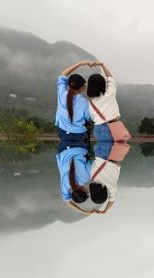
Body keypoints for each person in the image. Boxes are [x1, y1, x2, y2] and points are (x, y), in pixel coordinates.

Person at [55, 61, 93, 205]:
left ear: (84, 190)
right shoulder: (84, 102)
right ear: (82, 87)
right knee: (87, 123)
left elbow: (63, 74)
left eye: (86, 191)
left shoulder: (61, 92)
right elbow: (67, 199)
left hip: (72, 138)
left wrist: (80, 63)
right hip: (69, 136)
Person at [87, 61, 121, 142]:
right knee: (114, 149)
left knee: (102, 149)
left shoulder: (91, 103)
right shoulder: (110, 93)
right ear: (103, 84)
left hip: (97, 128)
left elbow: (93, 117)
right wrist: (102, 65)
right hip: (111, 127)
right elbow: (110, 78)